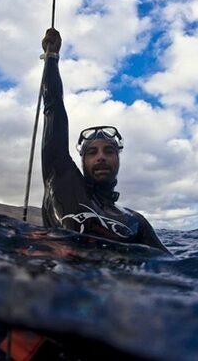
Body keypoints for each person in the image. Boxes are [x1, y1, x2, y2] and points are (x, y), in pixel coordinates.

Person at [40, 28, 169, 254]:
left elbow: (171, 266)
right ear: (81, 160)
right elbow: (53, 107)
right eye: (92, 152)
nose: (101, 156)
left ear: (118, 159)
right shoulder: (63, 180)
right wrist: (51, 59)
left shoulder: (135, 221)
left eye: (109, 151)